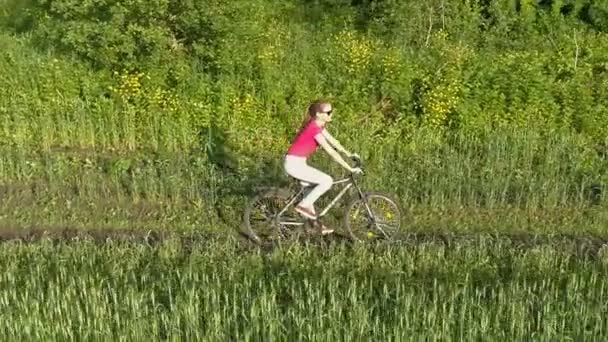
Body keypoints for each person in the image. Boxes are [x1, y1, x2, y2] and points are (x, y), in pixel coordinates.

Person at [284, 100, 363, 234]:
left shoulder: (319, 125)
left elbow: (334, 142)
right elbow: (330, 151)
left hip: (298, 162)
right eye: (328, 112)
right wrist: (349, 168)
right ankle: (302, 206)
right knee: (327, 180)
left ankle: (314, 225)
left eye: (331, 111)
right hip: (294, 164)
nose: (331, 114)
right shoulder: (314, 129)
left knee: (310, 191)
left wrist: (349, 154)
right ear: (319, 114)